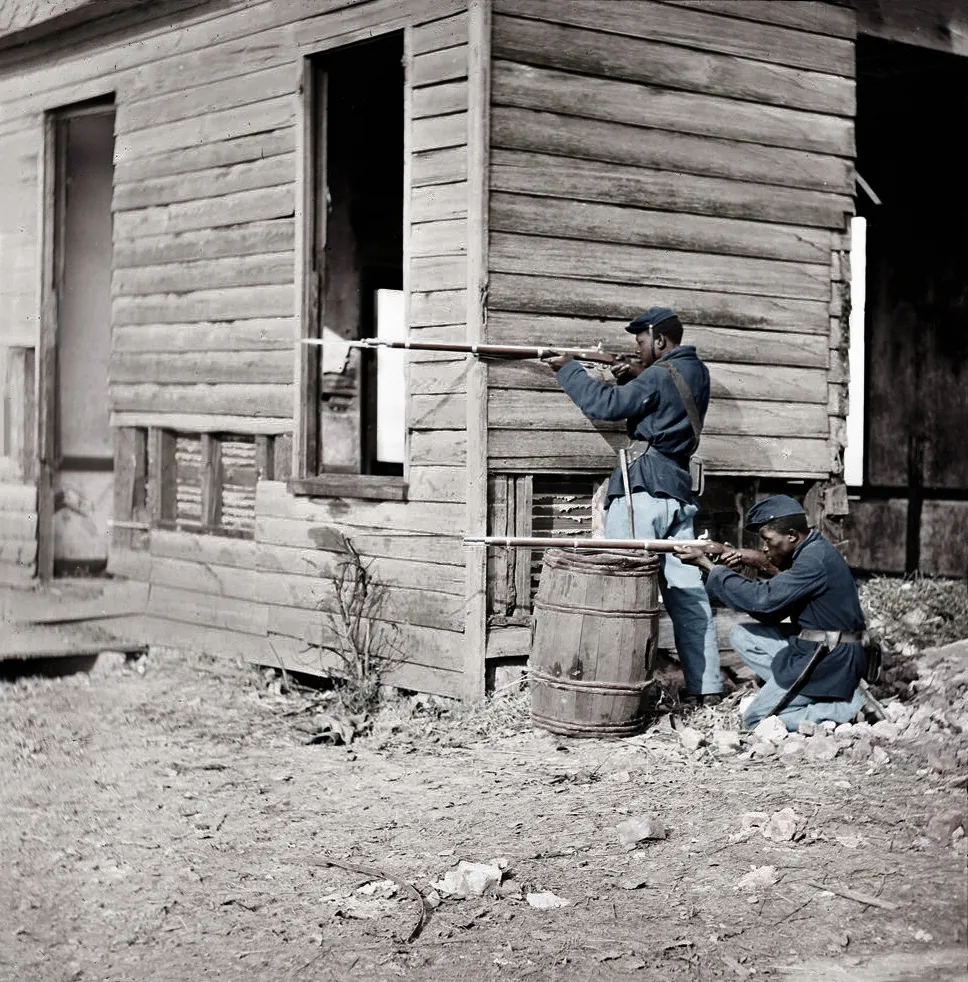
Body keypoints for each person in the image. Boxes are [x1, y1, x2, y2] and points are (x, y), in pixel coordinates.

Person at [541, 306, 722, 706]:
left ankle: (621, 693)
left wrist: (569, 368)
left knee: (624, 594)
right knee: (688, 594)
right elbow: (668, 397)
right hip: (678, 492)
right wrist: (637, 374)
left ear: (660, 341)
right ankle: (707, 689)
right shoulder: (696, 371)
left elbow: (604, 405)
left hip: (642, 490)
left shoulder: (658, 375)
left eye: (641, 343)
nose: (637, 351)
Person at [675, 494, 867, 731]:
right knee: (742, 635)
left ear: (792, 536)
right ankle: (801, 691)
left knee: (754, 719)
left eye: (768, 540)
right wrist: (737, 557)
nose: (764, 547)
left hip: (830, 659)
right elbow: (772, 608)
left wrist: (709, 567)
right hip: (822, 647)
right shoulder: (813, 549)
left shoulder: (812, 561)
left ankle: (841, 707)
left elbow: (763, 601)